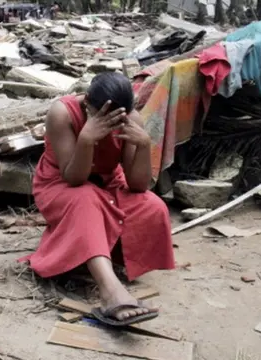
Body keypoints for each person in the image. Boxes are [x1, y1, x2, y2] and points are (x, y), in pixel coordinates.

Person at [21, 72, 176, 326]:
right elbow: (73, 179)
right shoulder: (62, 113)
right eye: (100, 116)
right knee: (86, 199)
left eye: (115, 120)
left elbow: (138, 186)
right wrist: (86, 138)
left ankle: (105, 257)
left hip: (107, 184)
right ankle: (110, 291)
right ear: (87, 105)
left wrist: (145, 145)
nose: (108, 125)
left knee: (152, 206)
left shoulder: (131, 120)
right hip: (62, 184)